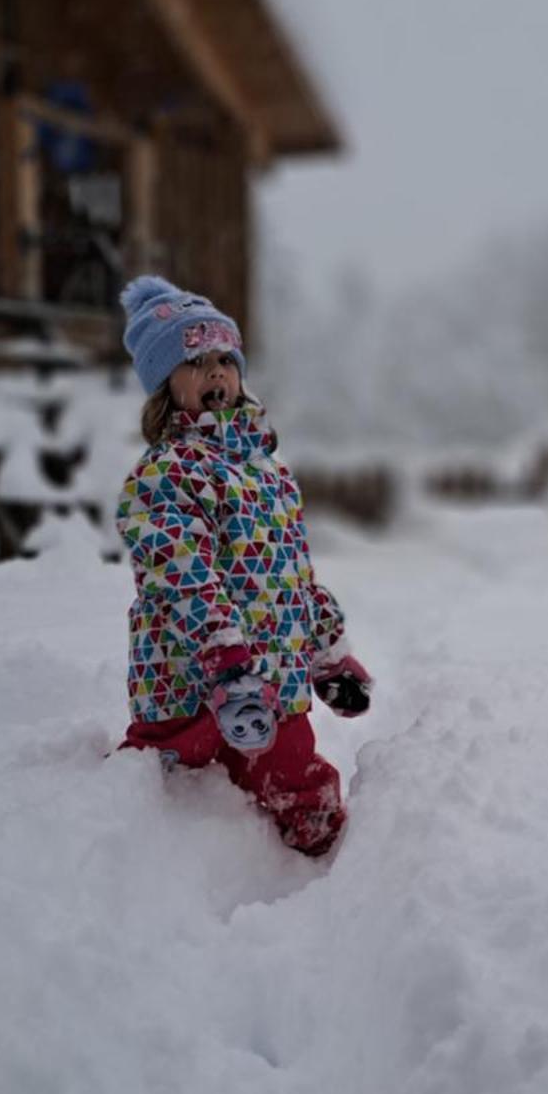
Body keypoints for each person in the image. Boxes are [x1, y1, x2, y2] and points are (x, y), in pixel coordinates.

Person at [114, 275, 372, 858]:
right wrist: (223, 653)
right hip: (186, 679)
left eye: (224, 361)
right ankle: (122, 861)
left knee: (299, 782)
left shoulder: (270, 475)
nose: (215, 375)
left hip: (272, 682)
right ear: (163, 386)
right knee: (155, 779)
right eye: (195, 363)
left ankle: (329, 872)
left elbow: (293, 580)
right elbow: (180, 574)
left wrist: (328, 655)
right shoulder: (166, 475)